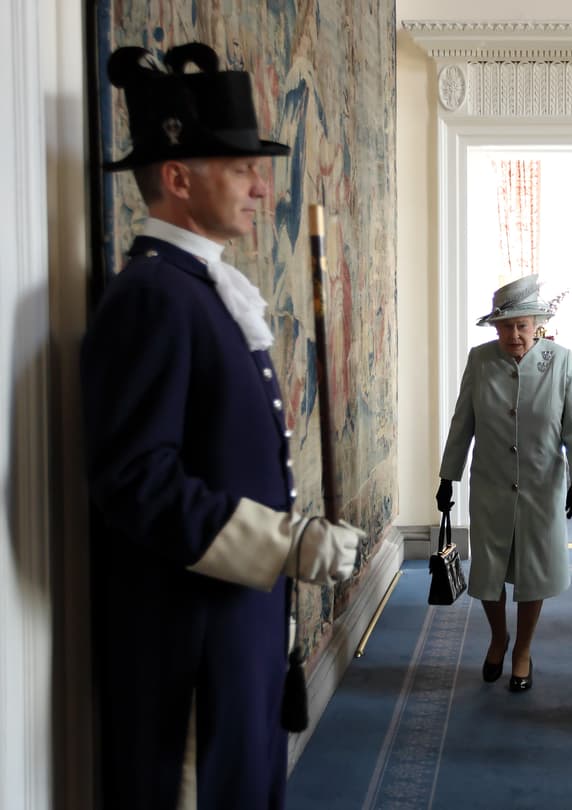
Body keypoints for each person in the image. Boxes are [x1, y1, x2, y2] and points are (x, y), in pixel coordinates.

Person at [81, 42, 362, 810]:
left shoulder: (200, 290)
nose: (263, 187)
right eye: (241, 170)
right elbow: (135, 481)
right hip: (187, 643)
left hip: (237, 627)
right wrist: (286, 543)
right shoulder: (152, 297)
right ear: (178, 178)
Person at [437, 275, 572, 693]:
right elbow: (462, 423)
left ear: (537, 324)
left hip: (542, 485)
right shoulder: (480, 360)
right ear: (496, 328)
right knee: (488, 569)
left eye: (521, 325)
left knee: (533, 570)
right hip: (490, 483)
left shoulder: (560, 361)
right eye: (505, 327)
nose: (514, 335)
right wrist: (447, 476)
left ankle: (522, 649)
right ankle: (498, 638)